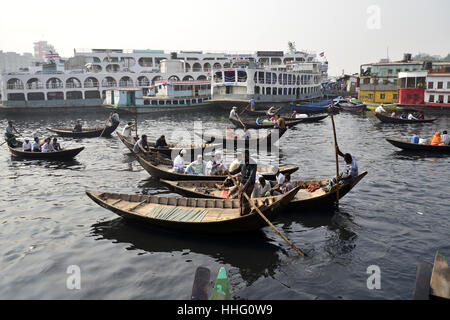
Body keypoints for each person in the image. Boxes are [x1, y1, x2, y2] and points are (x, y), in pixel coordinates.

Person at [230, 149, 257, 216]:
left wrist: (245, 187)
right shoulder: (242, 162)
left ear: (248, 156)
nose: (244, 158)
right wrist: (230, 173)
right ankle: (241, 213)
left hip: (250, 184)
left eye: (245, 157)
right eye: (243, 157)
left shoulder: (253, 164)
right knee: (240, 197)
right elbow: (238, 169)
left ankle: (246, 213)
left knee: (245, 199)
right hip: (243, 182)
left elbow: (251, 177)